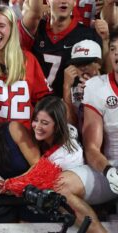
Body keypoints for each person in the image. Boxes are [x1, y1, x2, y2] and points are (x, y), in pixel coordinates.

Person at [55, 28, 118, 233]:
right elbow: (84, 141)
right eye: (113, 48)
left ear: (99, 63)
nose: (84, 70)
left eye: (88, 64)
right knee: (58, 186)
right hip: (106, 167)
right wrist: (108, 171)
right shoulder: (89, 89)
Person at [20, 0, 105, 97]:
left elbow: (102, 72)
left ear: (75, 2)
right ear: (47, 1)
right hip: (34, 103)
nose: (64, 1)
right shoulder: (35, 28)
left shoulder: (88, 36)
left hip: (69, 105)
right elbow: (33, 11)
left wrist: (105, 40)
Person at [31, 96, 84, 170]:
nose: (37, 126)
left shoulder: (64, 159)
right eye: (36, 120)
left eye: (44, 123)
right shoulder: (67, 129)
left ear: (57, 125)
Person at [63, 39, 102, 127]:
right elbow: (71, 125)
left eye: (87, 63)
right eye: (78, 64)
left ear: (98, 63)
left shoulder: (110, 84)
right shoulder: (75, 92)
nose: (83, 68)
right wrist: (66, 86)